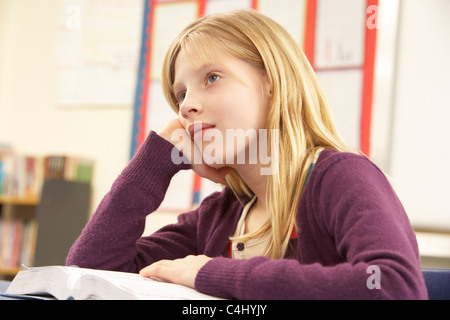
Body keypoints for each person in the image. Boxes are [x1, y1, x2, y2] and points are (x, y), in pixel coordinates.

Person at [66, 9, 428, 299]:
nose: (187, 105)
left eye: (211, 78)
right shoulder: (219, 216)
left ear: (272, 82)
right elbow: (89, 272)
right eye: (180, 95)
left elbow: (392, 285)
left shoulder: (340, 177)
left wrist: (210, 273)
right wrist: (156, 160)